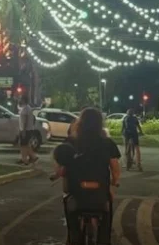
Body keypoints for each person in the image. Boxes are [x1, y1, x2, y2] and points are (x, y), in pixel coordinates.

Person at [53, 107, 121, 245]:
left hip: (75, 191)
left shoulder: (71, 142)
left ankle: (73, 238)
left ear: (80, 122)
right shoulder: (107, 143)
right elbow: (115, 168)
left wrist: (57, 174)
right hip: (100, 191)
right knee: (107, 214)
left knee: (71, 214)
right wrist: (114, 183)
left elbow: (60, 165)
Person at [18, 95, 39, 165]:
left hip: (26, 130)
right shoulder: (26, 108)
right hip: (26, 129)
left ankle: (27, 159)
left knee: (23, 145)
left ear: (24, 100)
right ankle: (27, 158)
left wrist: (23, 131)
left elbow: (25, 121)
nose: (19, 100)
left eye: (21, 98)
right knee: (25, 145)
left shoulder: (26, 109)